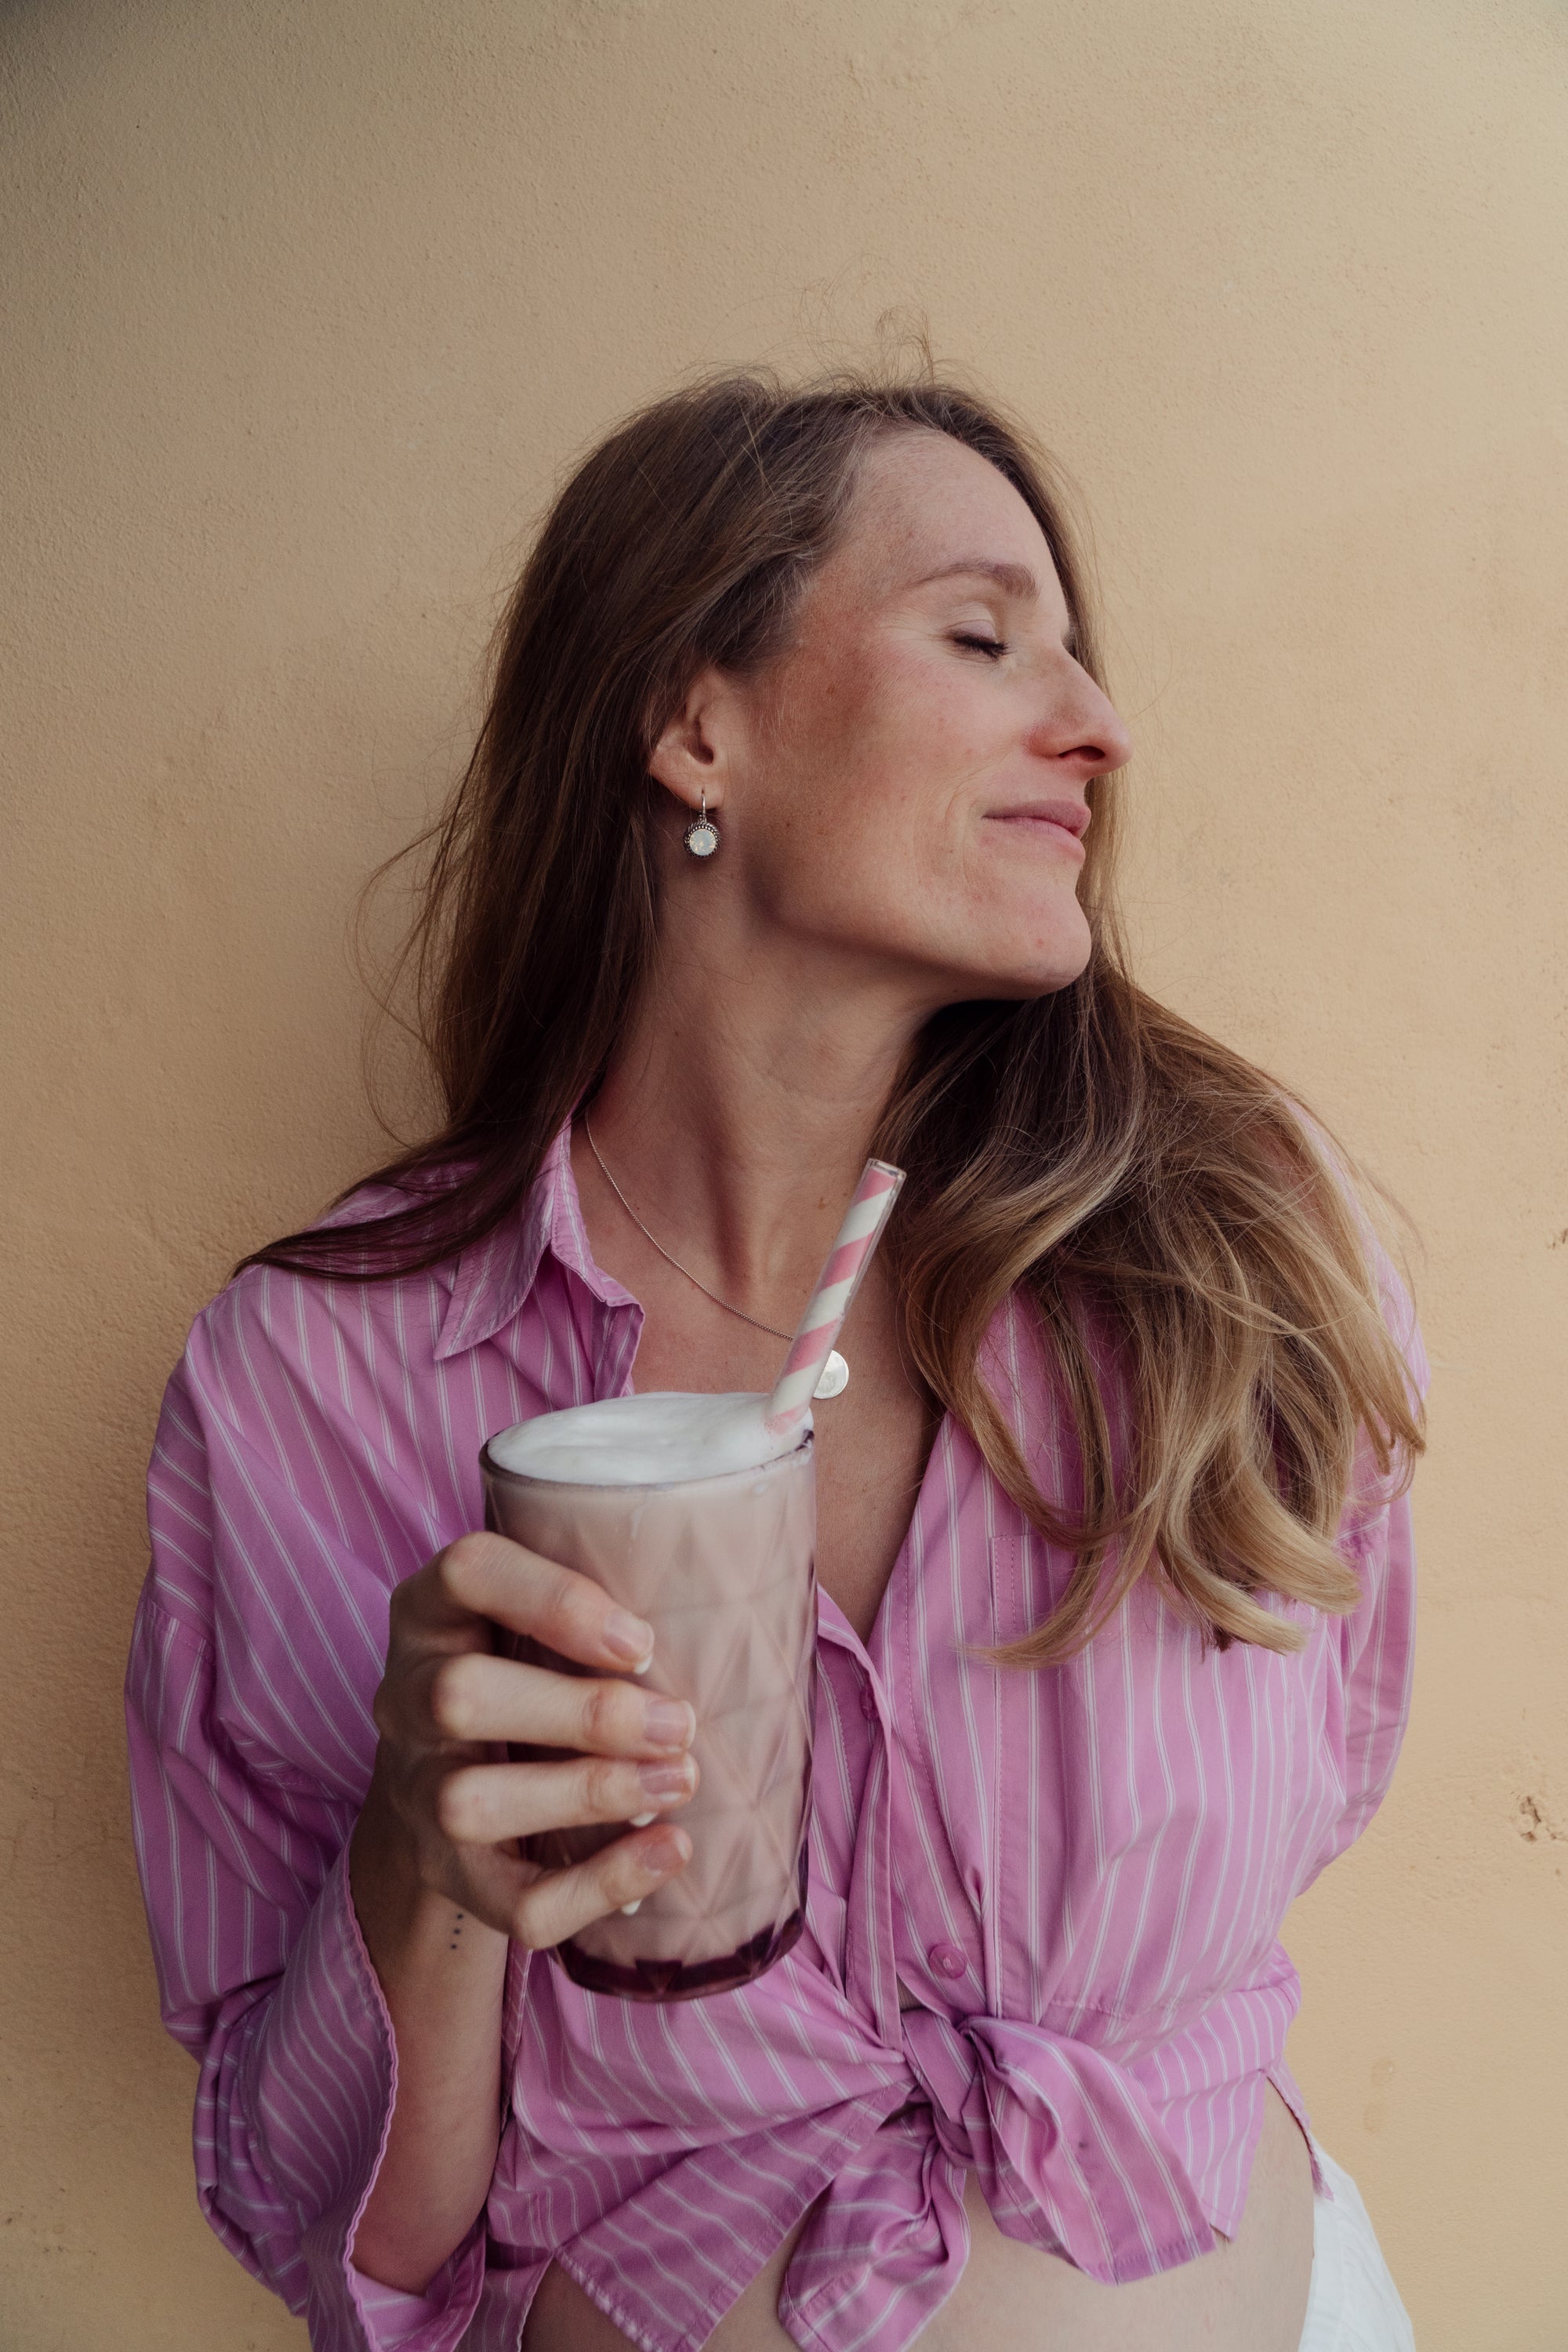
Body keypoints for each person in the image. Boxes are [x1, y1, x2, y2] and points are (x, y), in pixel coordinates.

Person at [125, 371, 1428, 2352]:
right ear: (694, 717)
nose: (1096, 726)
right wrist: (428, 1868)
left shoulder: (1237, 1250)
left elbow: (1332, 1767)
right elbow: (340, 2239)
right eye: (983, 636)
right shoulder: (317, 1378)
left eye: (1076, 658)